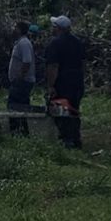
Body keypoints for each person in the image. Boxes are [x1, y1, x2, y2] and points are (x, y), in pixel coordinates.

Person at [45, 15, 86, 149]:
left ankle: (66, 140)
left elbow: (53, 66)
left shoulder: (55, 43)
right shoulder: (78, 42)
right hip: (77, 82)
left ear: (58, 29)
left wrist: (51, 85)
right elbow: (83, 63)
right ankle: (76, 139)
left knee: (61, 111)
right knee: (74, 109)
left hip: (62, 82)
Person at [7, 21, 36, 136]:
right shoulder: (20, 42)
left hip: (22, 82)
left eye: (15, 27)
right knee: (20, 107)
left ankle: (17, 133)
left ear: (19, 30)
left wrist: (19, 77)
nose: (13, 29)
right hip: (21, 81)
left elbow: (27, 61)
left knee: (14, 106)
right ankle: (21, 132)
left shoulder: (23, 43)